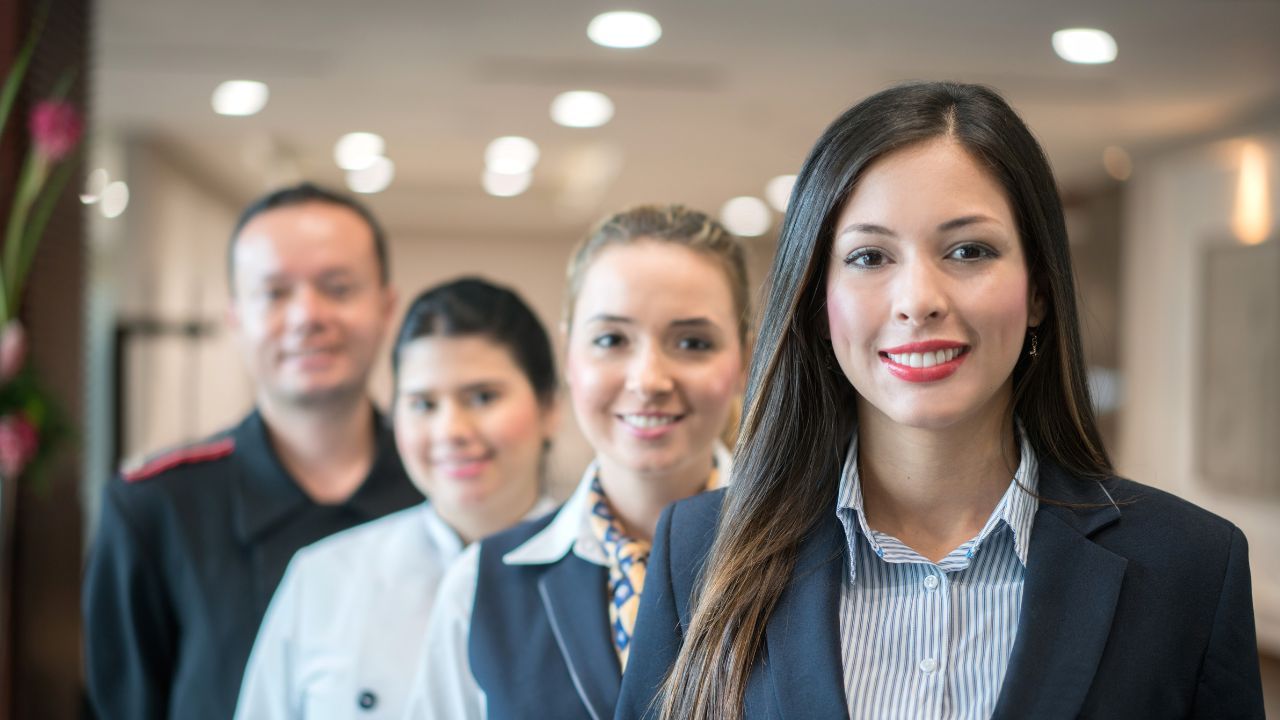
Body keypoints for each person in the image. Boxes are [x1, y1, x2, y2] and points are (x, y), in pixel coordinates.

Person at [617, 82, 1265, 720]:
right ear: (818, 302)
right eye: (870, 256)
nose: (918, 299)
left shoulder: (1190, 569)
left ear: (1038, 290)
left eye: (968, 250)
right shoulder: (700, 550)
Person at [82, 182, 423, 720]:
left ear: (386, 307)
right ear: (236, 317)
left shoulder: (442, 493)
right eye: (275, 292)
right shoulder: (155, 508)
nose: (307, 315)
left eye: (338, 287)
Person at [403, 205, 751, 719]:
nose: (648, 379)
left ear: (742, 358)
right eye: (611, 340)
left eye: (692, 343)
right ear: (569, 356)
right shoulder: (483, 584)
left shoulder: (816, 556)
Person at [234, 277, 562, 719]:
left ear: (550, 408)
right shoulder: (324, 578)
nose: (451, 432)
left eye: (483, 397)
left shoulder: (610, 576)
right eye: (423, 404)